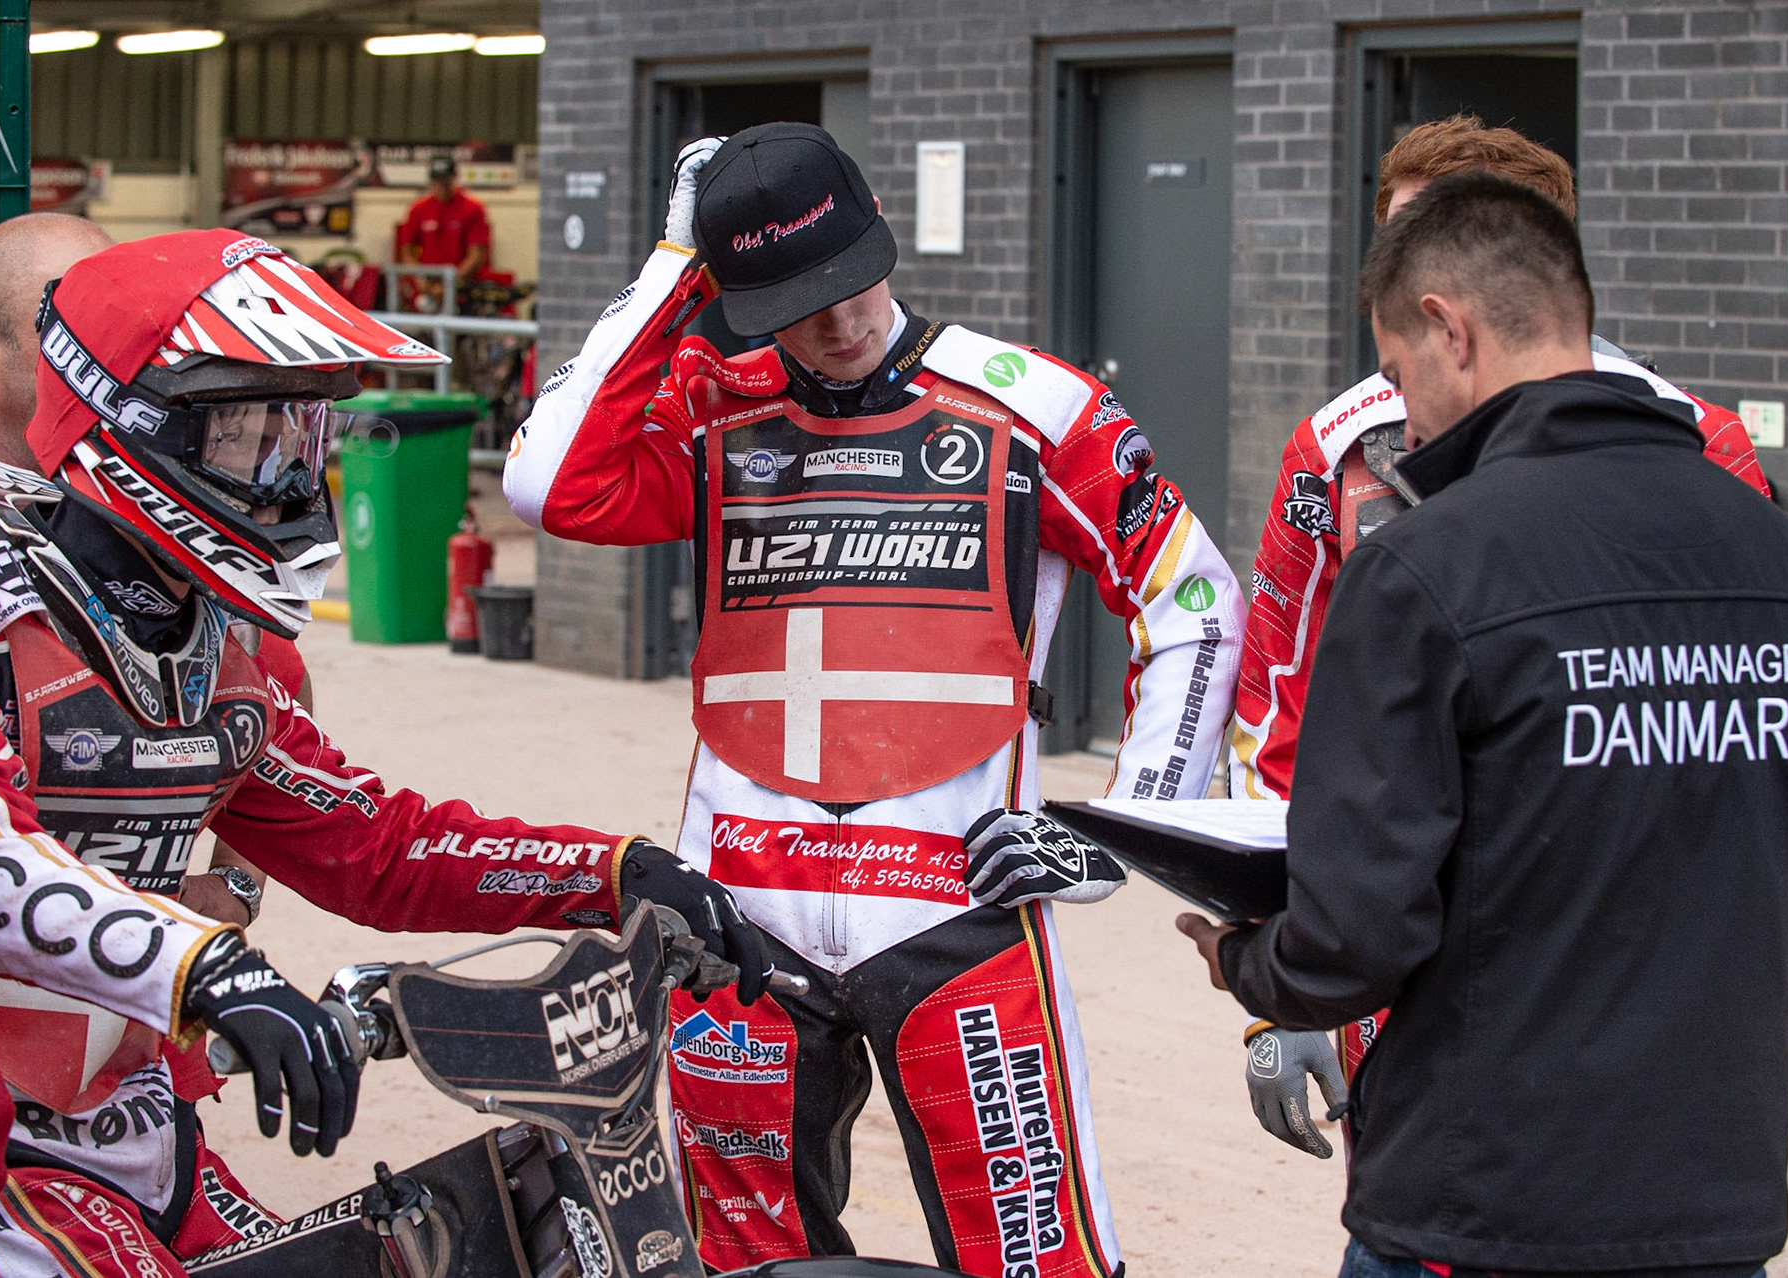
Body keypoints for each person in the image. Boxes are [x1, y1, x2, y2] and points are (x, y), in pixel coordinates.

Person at [0, 228, 765, 1276]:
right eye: (247, 435)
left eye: (303, 432)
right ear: (135, 426)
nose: (287, 475)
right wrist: (207, 968)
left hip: (146, 1135)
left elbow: (372, 843)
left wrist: (608, 873)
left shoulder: (220, 649)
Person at [505, 122, 1246, 1276]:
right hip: (737, 923)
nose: (841, 321)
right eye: (795, 301)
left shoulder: (1031, 405)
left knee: (1032, 1260)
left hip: (957, 913)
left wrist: (1118, 827)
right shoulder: (713, 404)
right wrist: (670, 263)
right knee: (750, 1264)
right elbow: (548, 481)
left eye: (853, 278)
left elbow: (1193, 596)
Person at [1183, 171, 1788, 1278]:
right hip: (1716, 1198)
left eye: (1397, 376)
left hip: (1482, 1206)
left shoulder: (1423, 565)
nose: (1400, 417)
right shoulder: (1781, 549)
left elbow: (1358, 933)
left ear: (1451, 330)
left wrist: (1252, 966)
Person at [0, 213, 279, 934]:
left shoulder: (153, 485)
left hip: (132, 996)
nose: (105, 353)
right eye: (66, 330)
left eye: (113, 324)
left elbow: (277, 678)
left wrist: (239, 883)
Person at [399, 154, 491, 286]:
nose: (441, 187)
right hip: (427, 283)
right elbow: (407, 252)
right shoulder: (418, 209)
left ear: (453, 180)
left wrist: (451, 284)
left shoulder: (472, 209)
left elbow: (476, 255)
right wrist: (421, 280)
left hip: (461, 284)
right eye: (437, 183)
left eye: (445, 182)